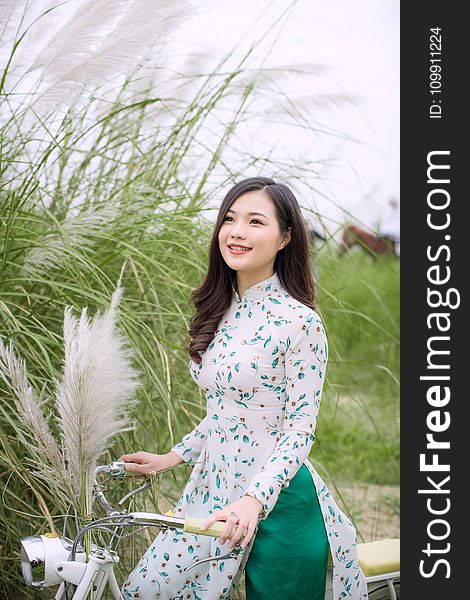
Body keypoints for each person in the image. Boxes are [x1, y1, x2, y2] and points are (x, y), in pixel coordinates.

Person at [120, 177, 368, 600]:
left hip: (279, 503)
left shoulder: (300, 322)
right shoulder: (218, 311)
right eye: (230, 219)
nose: (236, 232)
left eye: (255, 221)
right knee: (149, 590)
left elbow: (298, 431)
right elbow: (230, 413)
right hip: (212, 489)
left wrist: (254, 500)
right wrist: (172, 457)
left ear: (286, 237)